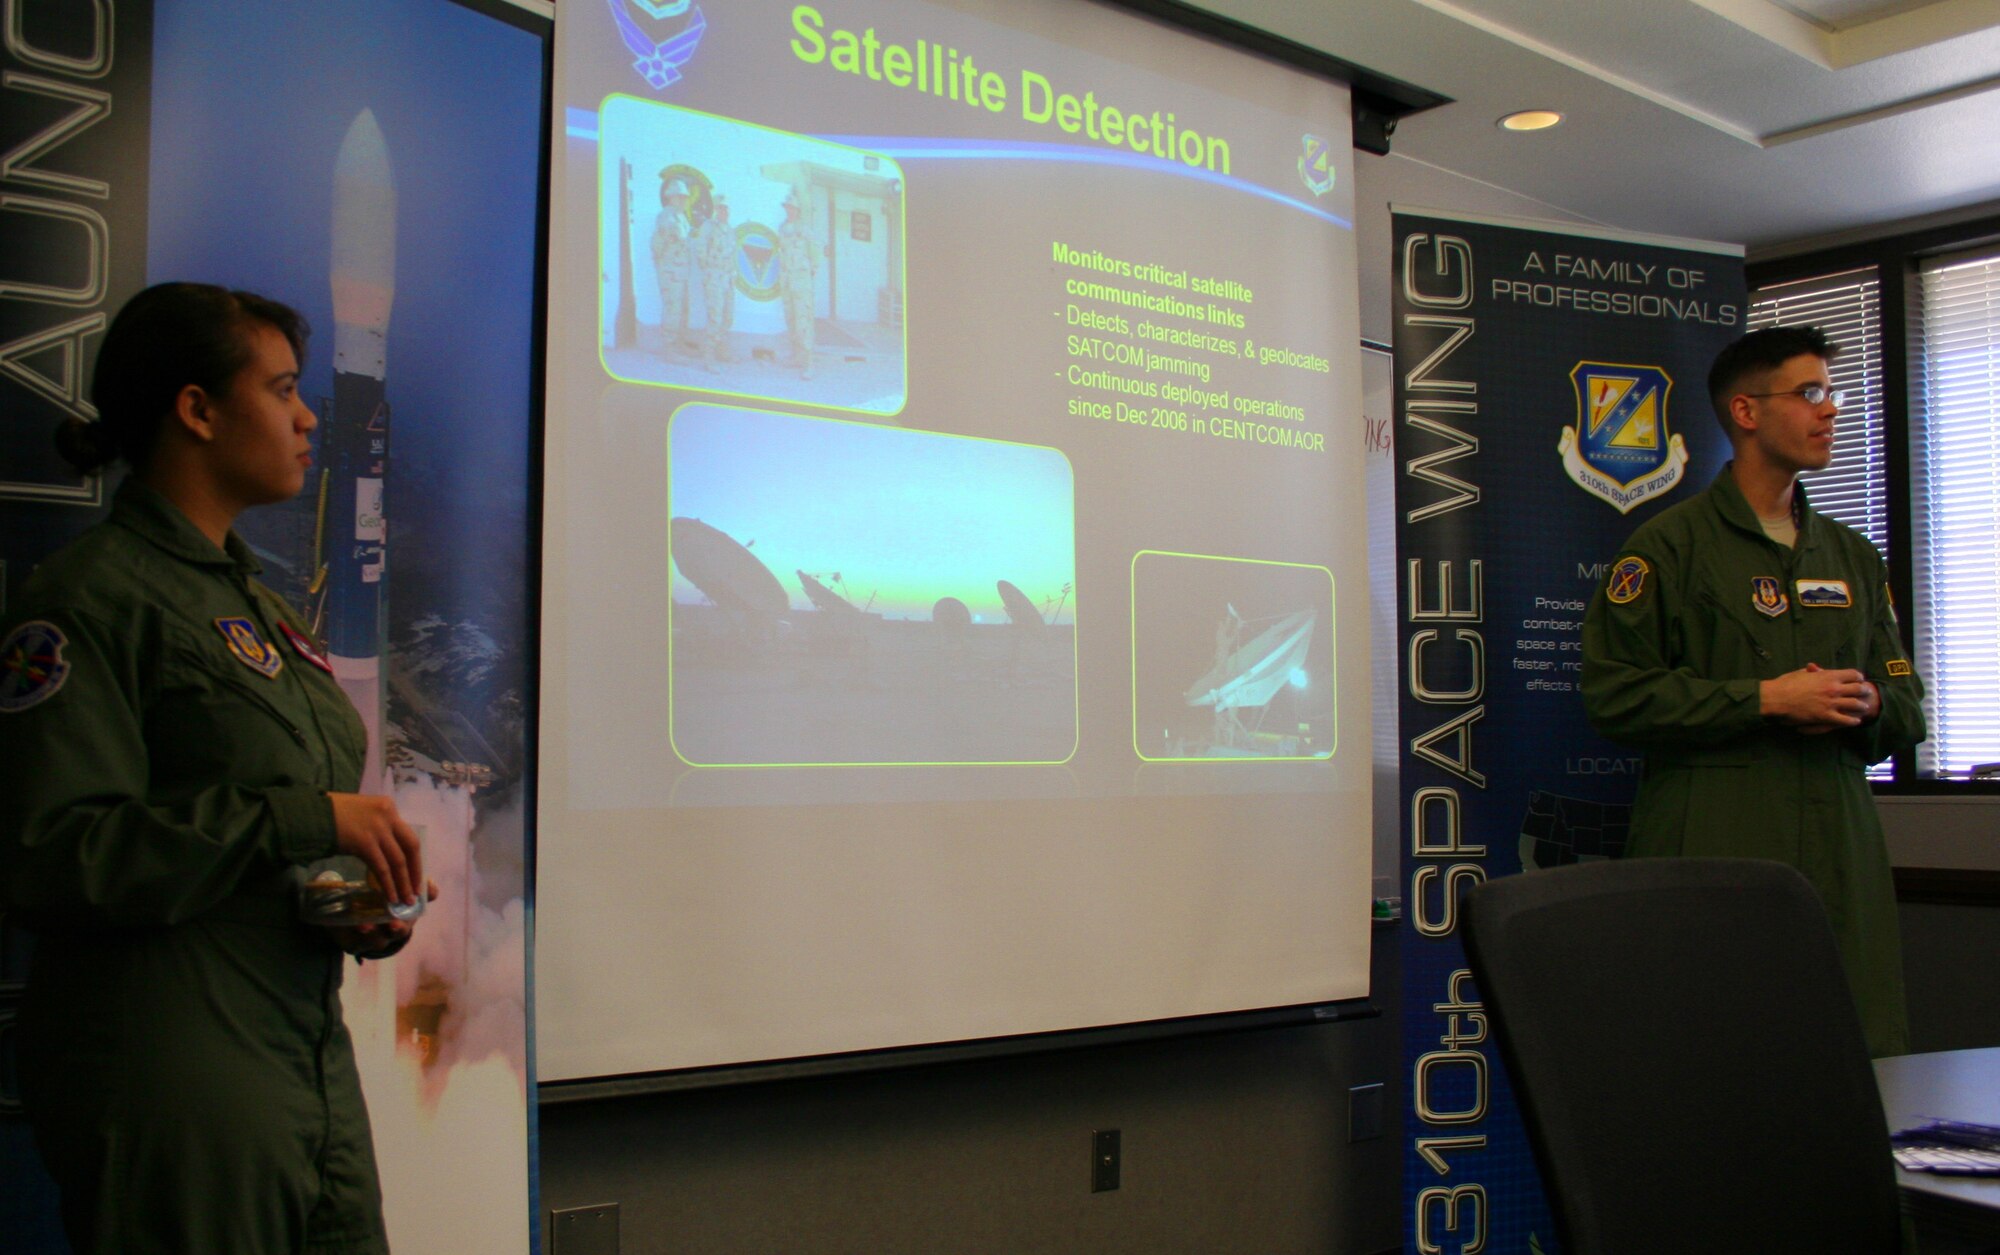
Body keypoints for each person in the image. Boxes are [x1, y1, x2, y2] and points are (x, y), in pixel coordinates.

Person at [0, 282, 429, 1253]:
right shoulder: (91, 601)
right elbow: (55, 855)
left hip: (301, 1063)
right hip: (176, 1074)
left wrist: (347, 899)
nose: (307, 416)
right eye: (281, 389)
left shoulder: (257, 607)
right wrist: (304, 821)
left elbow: (252, 837)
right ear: (196, 409)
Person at [1581, 324, 1925, 1058]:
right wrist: (1767, 700)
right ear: (1746, 411)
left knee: (1850, 1056)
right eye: (1810, 392)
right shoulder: (1668, 548)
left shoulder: (1854, 558)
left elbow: (1906, 707)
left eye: (1830, 392)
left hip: (1839, 845)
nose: (1830, 409)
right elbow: (1616, 696)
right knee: (1714, 1056)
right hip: (1716, 838)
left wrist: (1867, 703)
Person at [776, 184, 819, 380]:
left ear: (798, 210)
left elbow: (815, 251)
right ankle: (796, 357)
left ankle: (809, 363)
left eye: (792, 207)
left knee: (804, 321)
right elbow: (781, 252)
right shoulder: (782, 228)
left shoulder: (804, 229)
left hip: (801, 283)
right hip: (787, 281)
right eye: (787, 207)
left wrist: (811, 271)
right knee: (791, 319)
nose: (789, 210)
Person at [651, 174, 694, 357]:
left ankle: (679, 344)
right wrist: (665, 267)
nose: (684, 200)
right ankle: (669, 349)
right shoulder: (666, 216)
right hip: (670, 272)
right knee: (673, 309)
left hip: (681, 272)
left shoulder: (681, 217)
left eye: (685, 197)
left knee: (682, 309)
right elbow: (658, 246)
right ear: (672, 197)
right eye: (680, 197)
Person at [693, 192, 736, 372]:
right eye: (721, 208)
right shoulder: (708, 227)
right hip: (714, 279)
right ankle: (709, 357)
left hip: (728, 279)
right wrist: (709, 272)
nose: (724, 211)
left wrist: (732, 275)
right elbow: (700, 250)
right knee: (715, 318)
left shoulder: (730, 230)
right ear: (716, 209)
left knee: (728, 318)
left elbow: (733, 255)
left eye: (726, 208)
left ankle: (720, 349)